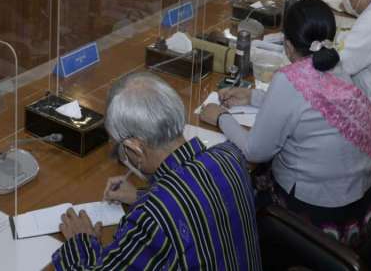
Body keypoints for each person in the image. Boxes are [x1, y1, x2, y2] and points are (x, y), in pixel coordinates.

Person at [201, 0, 371, 247]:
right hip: (359, 205)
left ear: (287, 46)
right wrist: (253, 97)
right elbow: (311, 103)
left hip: (316, 216)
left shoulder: (289, 79)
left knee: (235, 185)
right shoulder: (336, 66)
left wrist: (220, 117)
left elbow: (254, 151)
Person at [53, 72, 262, 271]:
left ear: (136, 148)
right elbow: (198, 197)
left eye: (122, 149)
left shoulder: (152, 218)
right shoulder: (231, 155)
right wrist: (141, 195)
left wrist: (79, 242)